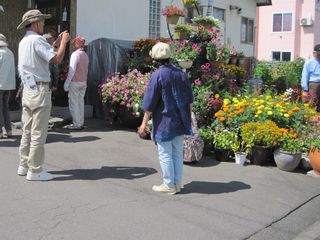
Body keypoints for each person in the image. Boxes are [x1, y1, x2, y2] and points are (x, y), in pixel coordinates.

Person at [17, 9, 70, 181]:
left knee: (27, 130)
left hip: (28, 89)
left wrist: (56, 43)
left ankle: (23, 165)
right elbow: (56, 59)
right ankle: (35, 170)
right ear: (35, 23)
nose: (44, 24)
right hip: (40, 90)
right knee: (38, 132)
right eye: (42, 21)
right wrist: (64, 43)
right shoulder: (37, 40)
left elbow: (46, 53)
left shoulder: (24, 41)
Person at [138, 42, 193, 194]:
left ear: (155, 59)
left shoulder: (158, 75)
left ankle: (168, 184)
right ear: (169, 57)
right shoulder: (181, 74)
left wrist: (143, 124)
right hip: (180, 120)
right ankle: (177, 183)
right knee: (176, 152)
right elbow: (189, 100)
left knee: (165, 153)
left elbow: (149, 103)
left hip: (164, 121)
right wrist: (189, 120)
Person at [63, 36, 89, 130]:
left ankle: (76, 124)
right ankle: (80, 122)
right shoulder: (85, 55)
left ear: (76, 44)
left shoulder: (75, 55)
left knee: (73, 103)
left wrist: (67, 82)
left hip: (75, 82)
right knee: (80, 103)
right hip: (83, 82)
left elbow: (72, 70)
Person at [0, 34, 15, 139]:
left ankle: (0, 132)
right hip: (8, 85)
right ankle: (9, 130)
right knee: (5, 107)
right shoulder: (10, 52)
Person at [301, 44, 320, 108]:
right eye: (318, 54)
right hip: (314, 85)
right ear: (314, 53)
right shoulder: (309, 63)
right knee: (312, 103)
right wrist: (305, 90)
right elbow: (305, 76)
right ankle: (312, 117)